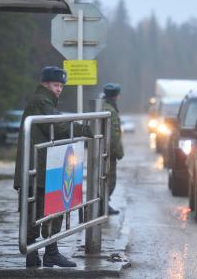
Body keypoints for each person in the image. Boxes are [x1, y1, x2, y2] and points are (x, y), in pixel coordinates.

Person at [14, 66, 91, 268]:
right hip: (38, 167)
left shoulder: (44, 101)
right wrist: (84, 129)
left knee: (38, 210)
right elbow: (57, 126)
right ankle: (46, 253)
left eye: (61, 86)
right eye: (56, 85)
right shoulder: (41, 101)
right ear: (45, 84)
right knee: (47, 209)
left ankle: (39, 253)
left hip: (39, 166)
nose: (59, 89)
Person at [102, 83, 124, 215]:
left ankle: (102, 204)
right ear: (116, 96)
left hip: (100, 149)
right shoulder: (111, 110)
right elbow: (114, 134)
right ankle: (103, 205)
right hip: (109, 152)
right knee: (109, 179)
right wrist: (119, 152)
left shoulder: (102, 106)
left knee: (102, 178)